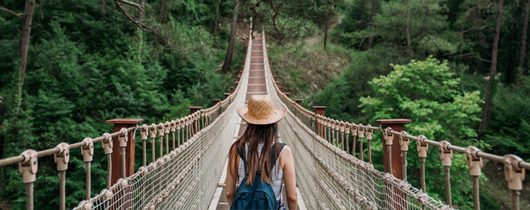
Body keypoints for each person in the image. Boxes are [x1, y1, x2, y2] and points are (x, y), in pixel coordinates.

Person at [226, 95, 298, 210]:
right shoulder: (284, 152)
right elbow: (292, 197)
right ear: (273, 123)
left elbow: (229, 193)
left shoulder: (237, 149)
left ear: (248, 122)